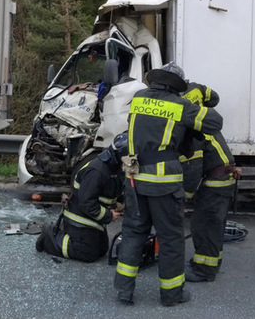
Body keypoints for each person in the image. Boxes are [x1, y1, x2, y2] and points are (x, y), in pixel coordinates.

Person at [113, 62, 224, 307]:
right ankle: (172, 295)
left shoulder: (139, 98)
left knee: (133, 233)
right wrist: (191, 108)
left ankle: (124, 290)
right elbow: (215, 122)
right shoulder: (181, 105)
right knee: (171, 238)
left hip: (134, 178)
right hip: (164, 183)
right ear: (176, 86)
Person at [35, 133, 127, 263]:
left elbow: (111, 191)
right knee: (87, 254)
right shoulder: (96, 171)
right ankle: (49, 237)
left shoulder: (114, 168)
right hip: (80, 218)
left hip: (92, 218)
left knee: (102, 250)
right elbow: (86, 202)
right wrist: (108, 215)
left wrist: (119, 204)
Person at [181, 82, 239, 282]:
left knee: (203, 225)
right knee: (213, 226)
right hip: (222, 177)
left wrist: (185, 197)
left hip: (217, 180)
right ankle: (209, 263)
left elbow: (193, 167)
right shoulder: (202, 115)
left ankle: (204, 270)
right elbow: (214, 98)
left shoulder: (192, 128)